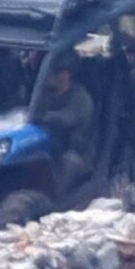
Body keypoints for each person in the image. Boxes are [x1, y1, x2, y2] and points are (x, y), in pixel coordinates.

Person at [34, 50, 95, 190]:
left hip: (74, 150)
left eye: (55, 72)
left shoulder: (81, 97)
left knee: (69, 162)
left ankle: (57, 204)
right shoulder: (43, 95)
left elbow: (66, 118)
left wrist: (43, 118)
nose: (50, 76)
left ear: (67, 74)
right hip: (45, 146)